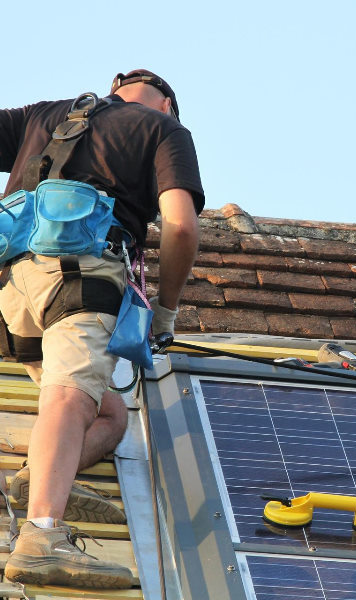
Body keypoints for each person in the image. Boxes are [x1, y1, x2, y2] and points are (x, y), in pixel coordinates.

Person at [0, 70, 204, 589]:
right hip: (81, 284)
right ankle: (42, 535)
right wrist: (167, 309)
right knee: (71, 398)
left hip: (13, 294)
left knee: (108, 413)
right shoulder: (163, 131)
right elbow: (180, 224)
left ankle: (36, 481)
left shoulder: (47, 114)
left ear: (114, 86)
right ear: (166, 106)